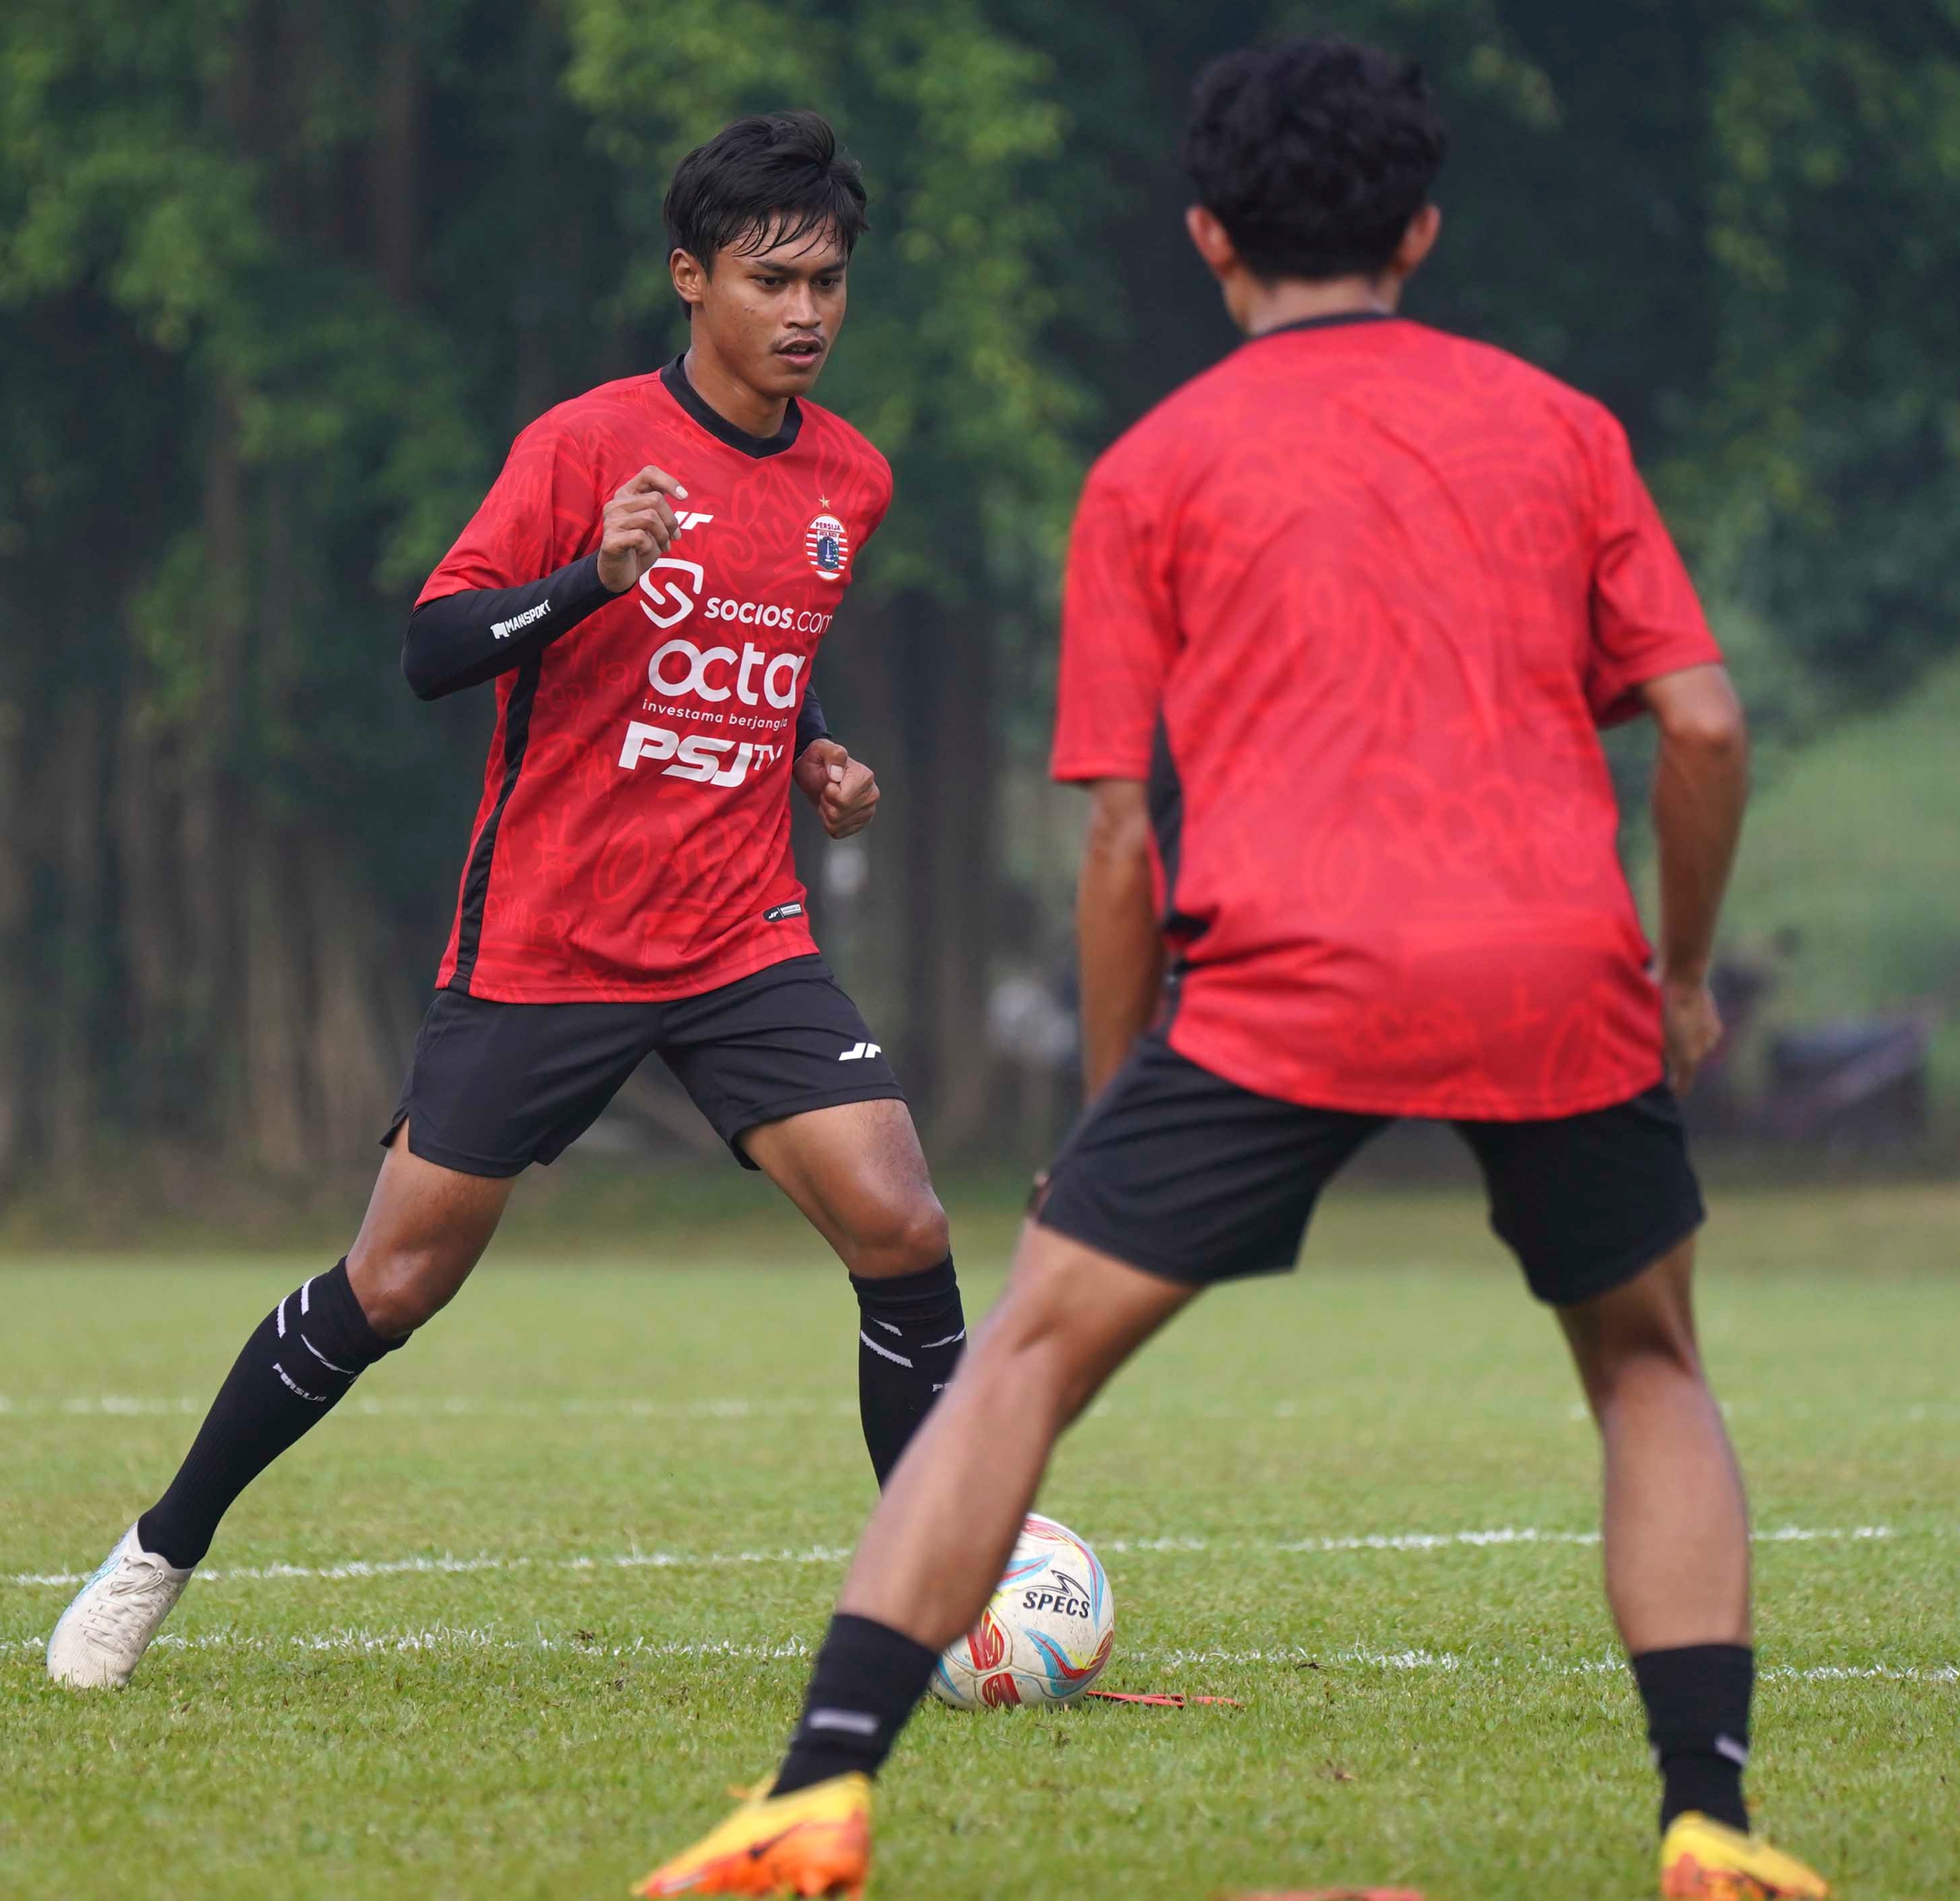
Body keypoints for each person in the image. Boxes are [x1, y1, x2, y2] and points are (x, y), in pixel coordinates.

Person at [638, 39, 1828, 1901]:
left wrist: (1107, 1112)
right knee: (1646, 1366)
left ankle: (815, 1794)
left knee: (1019, 1356)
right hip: (1551, 965)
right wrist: (1677, 973)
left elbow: (1119, 842)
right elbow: (1700, 724)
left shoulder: (1151, 467)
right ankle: (1710, 1827)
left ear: (1206, 238)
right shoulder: (1558, 425)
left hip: (1276, 985)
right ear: (1419, 229)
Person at [45, 112, 970, 1691]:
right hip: (550, 939)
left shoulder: (852, 481)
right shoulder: (587, 446)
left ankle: (932, 1611)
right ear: (691, 280)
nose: (808, 311)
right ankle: (158, 1549)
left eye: (829, 280)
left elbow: (762, 654)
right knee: (394, 1282)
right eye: (773, 279)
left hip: (743, 934)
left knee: (904, 1225)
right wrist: (590, 583)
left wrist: (812, 755)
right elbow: (432, 649)